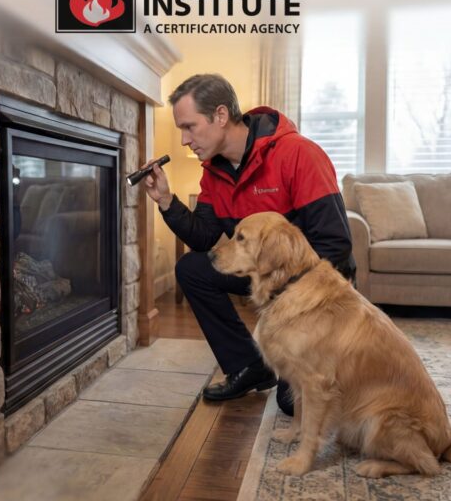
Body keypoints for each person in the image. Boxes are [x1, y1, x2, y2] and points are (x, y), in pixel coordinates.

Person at [142, 73, 355, 416]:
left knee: (292, 405)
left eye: (189, 127)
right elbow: (207, 238)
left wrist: (282, 295)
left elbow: (335, 245)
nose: (184, 140)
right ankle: (249, 366)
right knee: (193, 269)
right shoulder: (214, 171)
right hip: (265, 278)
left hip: (316, 290)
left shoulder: (299, 154)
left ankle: (327, 366)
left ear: (221, 116)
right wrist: (167, 201)